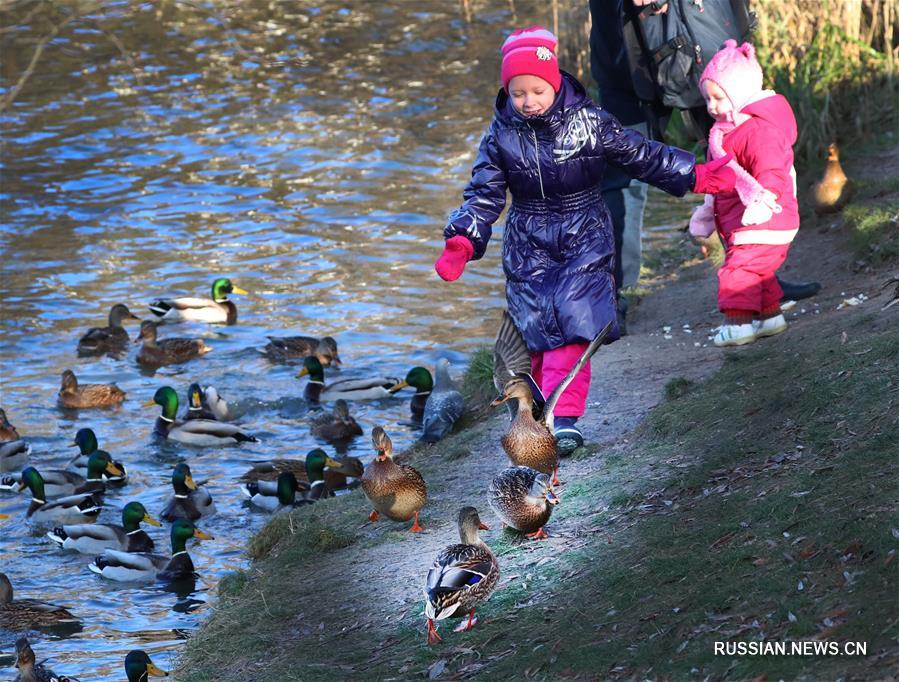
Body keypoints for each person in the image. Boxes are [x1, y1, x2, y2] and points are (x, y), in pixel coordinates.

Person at [433, 26, 734, 451]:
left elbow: (638, 153)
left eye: (537, 89)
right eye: (518, 93)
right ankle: (532, 413)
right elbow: (483, 193)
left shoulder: (588, 121)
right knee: (535, 332)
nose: (528, 101)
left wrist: (695, 174)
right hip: (528, 241)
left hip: (584, 234)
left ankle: (565, 418)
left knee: (574, 329)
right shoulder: (500, 135)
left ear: (554, 83)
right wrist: (462, 240)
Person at [589, 0, 819, 330]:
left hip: (702, 32)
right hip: (625, 49)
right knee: (621, 170)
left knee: (738, 150)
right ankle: (611, 298)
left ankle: (758, 277)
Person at [688, 40, 800, 346]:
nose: (711, 107)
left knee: (739, 270)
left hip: (766, 217)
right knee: (758, 272)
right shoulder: (725, 132)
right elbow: (720, 178)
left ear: (739, 93)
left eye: (719, 98)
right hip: (745, 219)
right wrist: (707, 210)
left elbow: (772, 169)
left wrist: (767, 201)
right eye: (708, 99)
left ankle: (738, 326)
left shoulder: (757, 131)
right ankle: (769, 317)